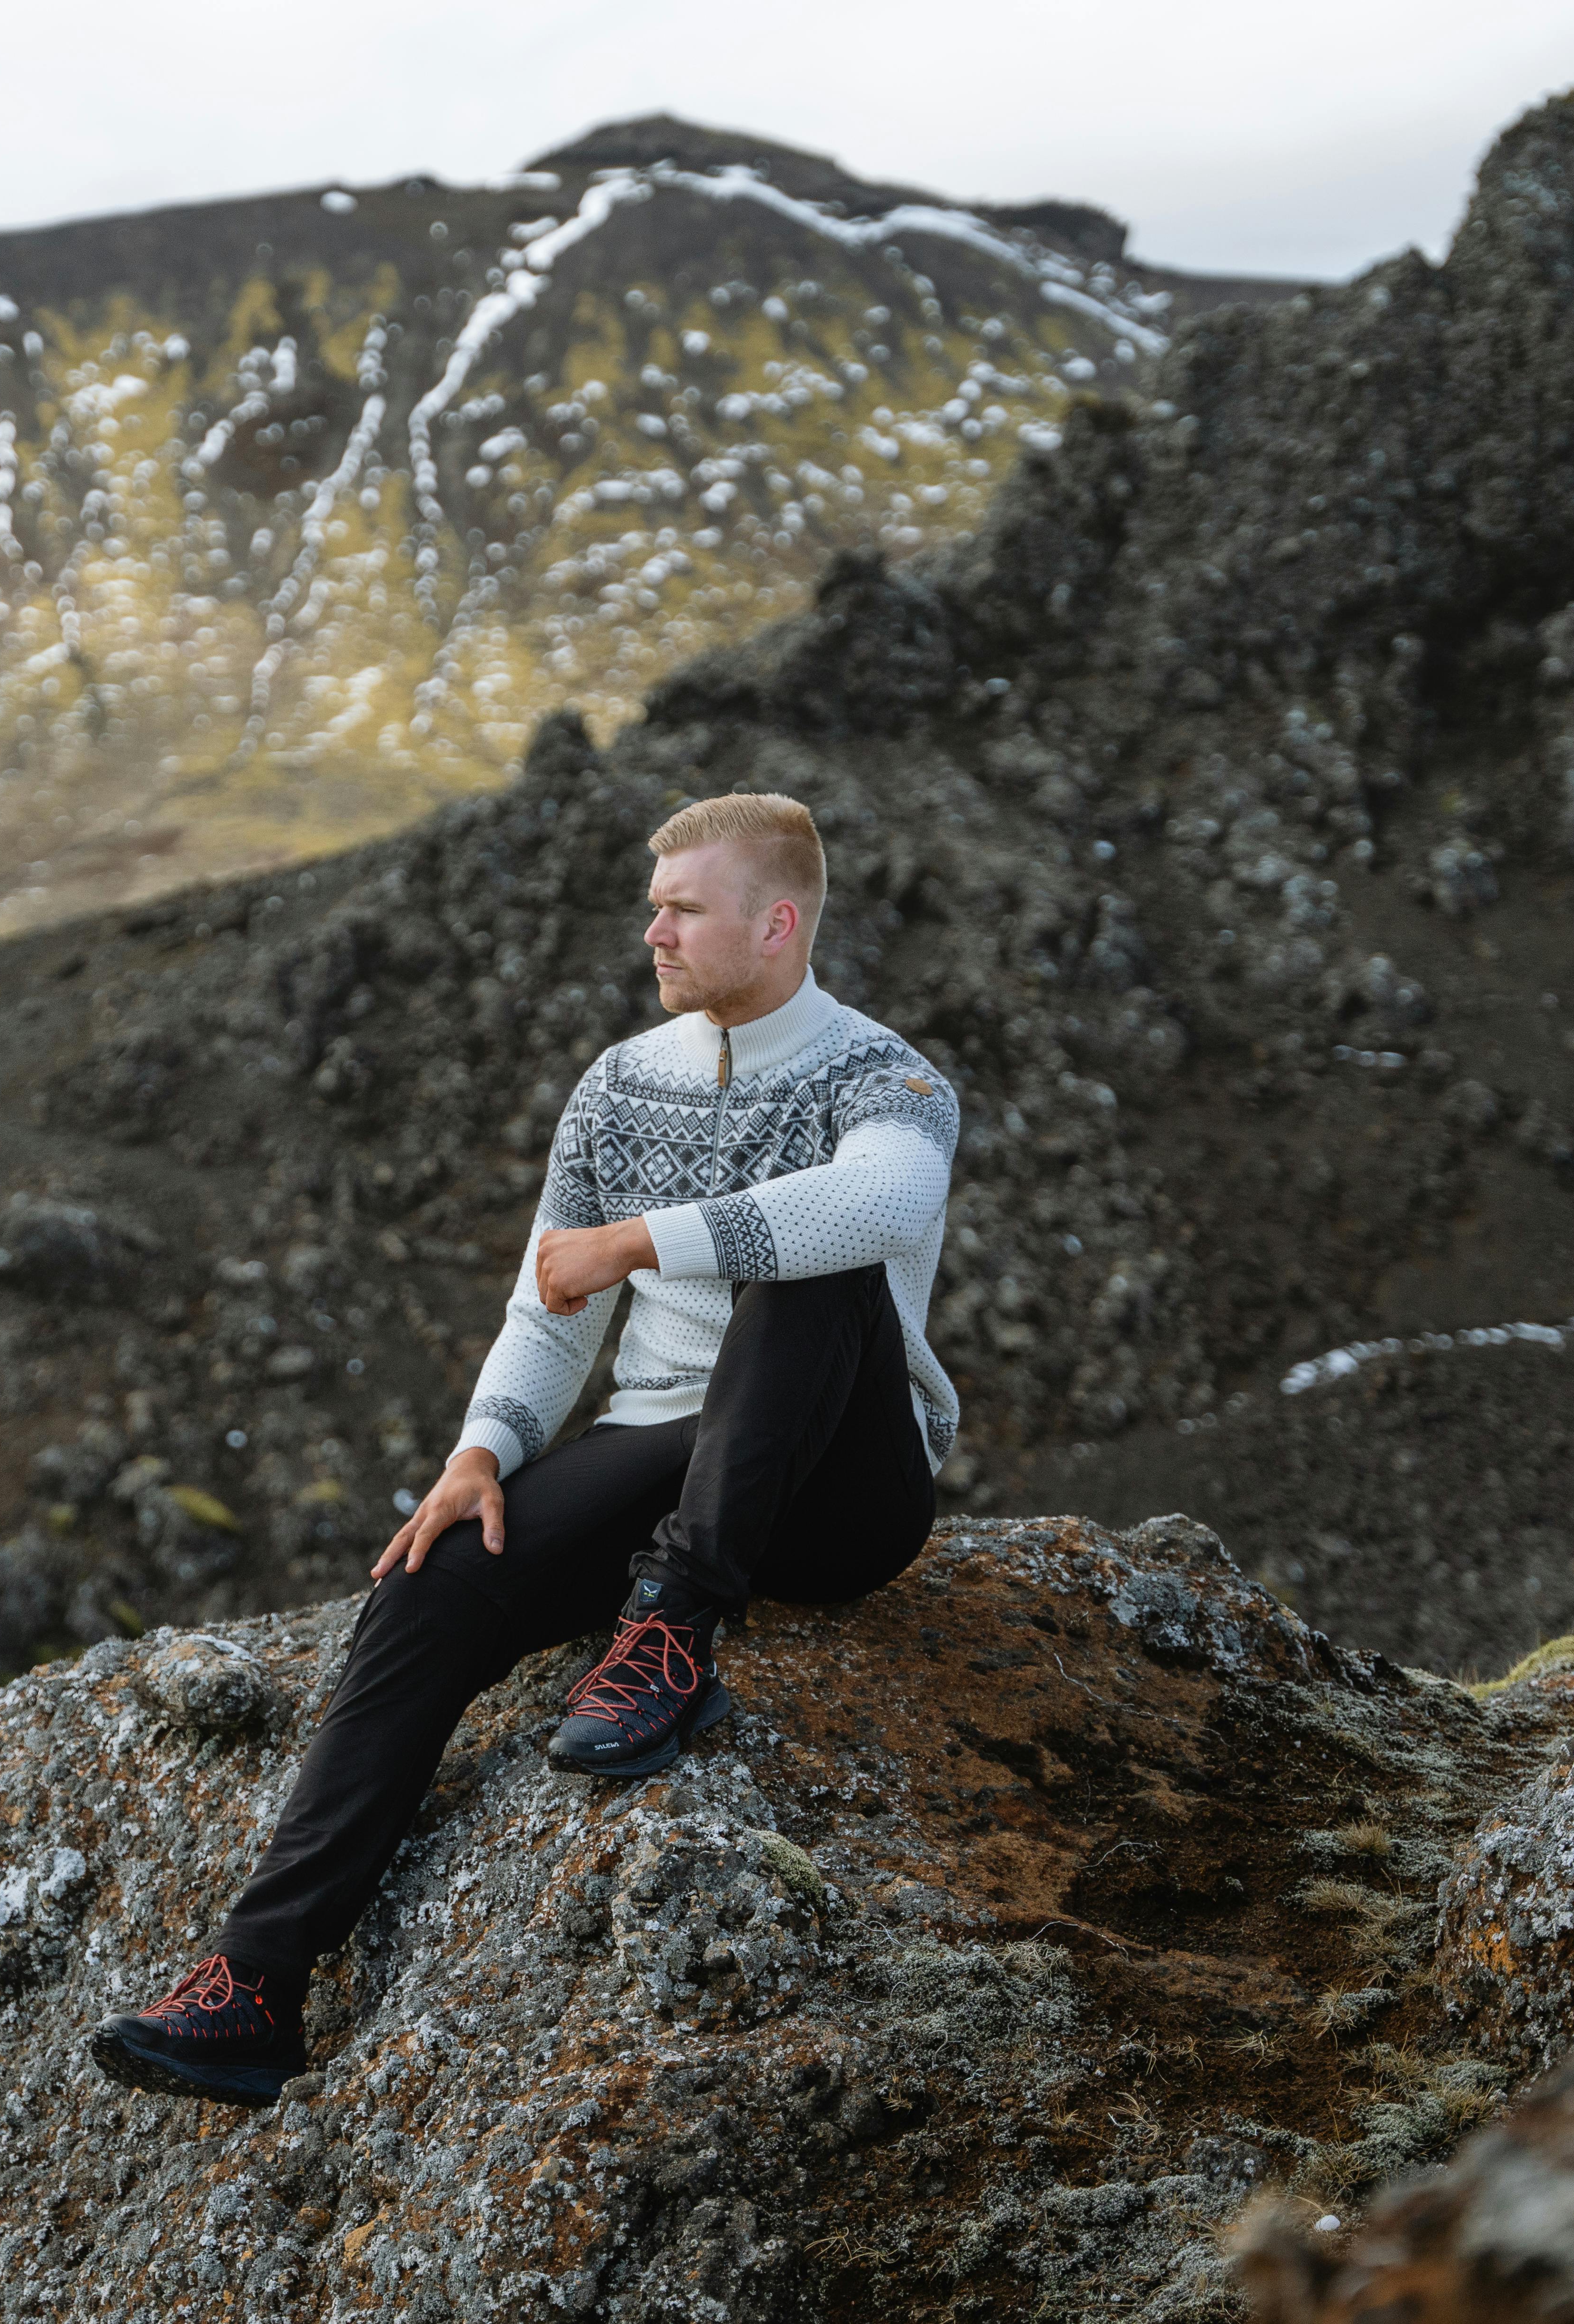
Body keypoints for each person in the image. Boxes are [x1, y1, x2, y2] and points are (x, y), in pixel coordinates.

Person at [86, 791, 964, 2106]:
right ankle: (256, 1987)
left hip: (843, 1484)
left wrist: (644, 1241)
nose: (652, 932)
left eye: (683, 910)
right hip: (670, 1446)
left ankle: (672, 1630)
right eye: (654, 907)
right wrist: (483, 1449)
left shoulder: (887, 1078)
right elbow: (548, 1306)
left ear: (778, 924)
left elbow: (883, 1201)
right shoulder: (620, 1085)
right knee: (431, 1578)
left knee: (813, 1265)